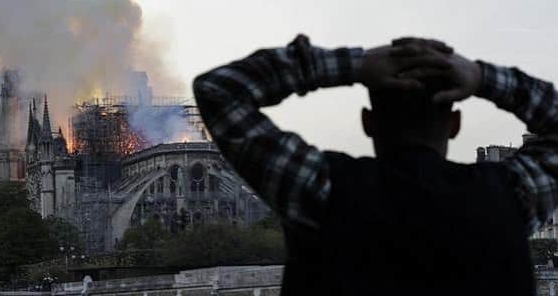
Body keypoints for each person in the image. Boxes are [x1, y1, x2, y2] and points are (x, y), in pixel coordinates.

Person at [192, 35, 558, 295]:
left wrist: (354, 65)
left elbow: (219, 90)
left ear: (367, 121)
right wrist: (482, 77)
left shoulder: (321, 189)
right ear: (455, 124)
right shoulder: (512, 196)